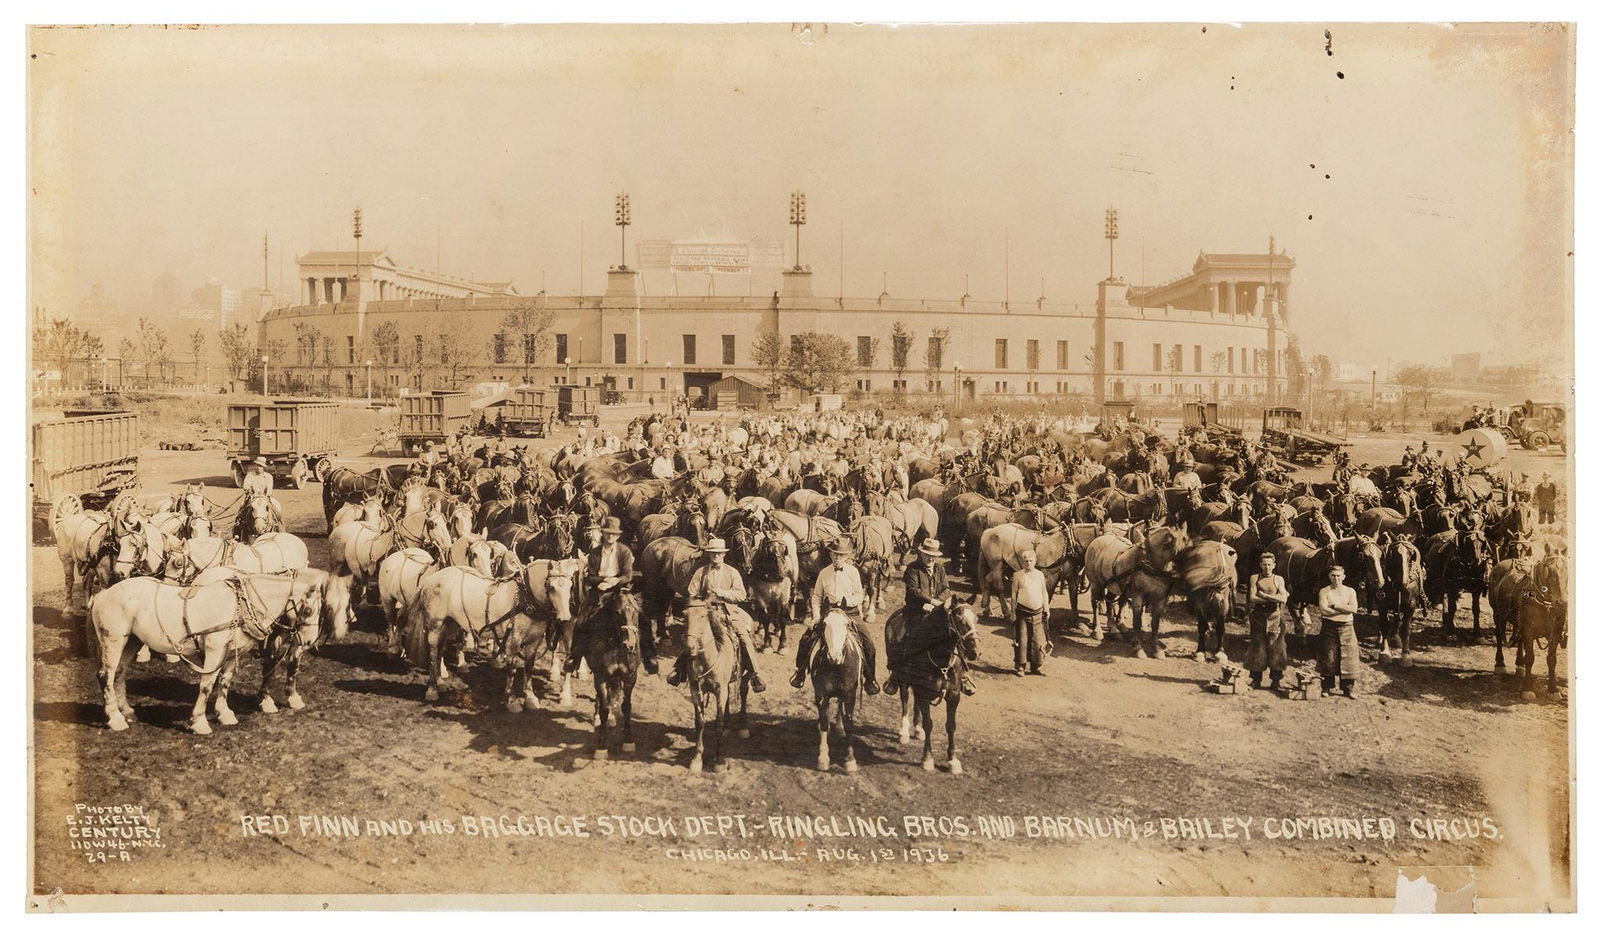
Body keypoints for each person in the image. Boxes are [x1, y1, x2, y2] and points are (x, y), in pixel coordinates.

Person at [667, 538, 766, 692]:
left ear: (724, 554)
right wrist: (702, 602)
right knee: (691, 635)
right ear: (709, 554)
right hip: (706, 613)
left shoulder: (733, 572)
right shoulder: (701, 572)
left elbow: (741, 595)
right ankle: (679, 671)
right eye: (713, 554)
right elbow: (691, 594)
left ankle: (755, 674)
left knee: (743, 636)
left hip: (727, 612)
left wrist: (723, 593)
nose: (716, 556)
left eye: (719, 553)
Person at [790, 540, 881, 695]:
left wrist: (846, 601)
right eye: (835, 554)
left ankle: (870, 678)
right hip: (828, 612)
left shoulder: (853, 572)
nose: (837, 558)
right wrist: (817, 616)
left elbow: (859, 595)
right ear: (831, 554)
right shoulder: (824, 573)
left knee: (869, 644)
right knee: (805, 639)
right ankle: (800, 673)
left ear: (846, 556)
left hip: (850, 613)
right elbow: (817, 596)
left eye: (841, 555)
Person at [569, 516, 654, 674]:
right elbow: (590, 576)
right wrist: (602, 581)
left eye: (613, 534)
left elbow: (628, 575)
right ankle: (575, 657)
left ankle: (650, 657)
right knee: (581, 620)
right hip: (599, 590)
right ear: (603, 533)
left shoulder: (624, 551)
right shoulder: (594, 553)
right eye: (607, 533)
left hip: (620, 589)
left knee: (642, 617)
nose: (610, 537)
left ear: (618, 536)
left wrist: (614, 581)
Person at [1245, 553, 1291, 691]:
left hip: (1274, 616)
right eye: (1264, 564)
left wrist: (1264, 595)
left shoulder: (1278, 579)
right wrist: (1274, 597)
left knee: (1277, 647)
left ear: (1274, 565)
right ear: (1260, 564)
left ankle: (1276, 681)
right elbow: (1252, 598)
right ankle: (1255, 679)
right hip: (1258, 616)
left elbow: (1283, 598)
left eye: (1269, 564)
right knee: (1257, 646)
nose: (1267, 567)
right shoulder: (1255, 578)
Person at [1316, 565, 1362, 698]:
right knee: (1328, 656)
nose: (1336, 578)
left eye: (1339, 576)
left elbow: (1353, 609)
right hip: (1328, 627)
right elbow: (1324, 611)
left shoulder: (1350, 591)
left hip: (1347, 626)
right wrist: (1344, 609)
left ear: (1343, 577)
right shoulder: (1324, 591)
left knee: (1349, 658)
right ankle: (1326, 687)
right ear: (1330, 577)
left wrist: (1336, 606)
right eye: (1333, 576)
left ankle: (1348, 689)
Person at [1010, 549, 1051, 677]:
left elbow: (1044, 592)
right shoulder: (1018, 576)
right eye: (1026, 561)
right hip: (1022, 612)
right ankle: (1021, 667)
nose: (1028, 563)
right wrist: (1013, 613)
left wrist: (1046, 608)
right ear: (1023, 562)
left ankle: (1037, 666)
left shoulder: (1039, 575)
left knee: (1038, 641)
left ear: (1035, 561)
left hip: (1038, 612)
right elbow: (1013, 596)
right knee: (1022, 640)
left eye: (1031, 561)